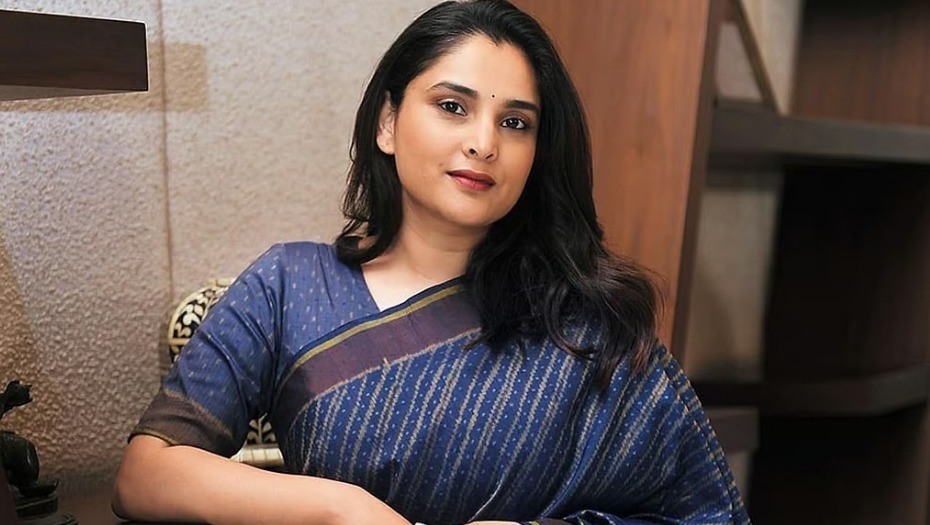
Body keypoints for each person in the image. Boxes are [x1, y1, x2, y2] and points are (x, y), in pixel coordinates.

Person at [113, 1, 751, 524]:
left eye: (516, 123)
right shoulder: (289, 287)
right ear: (387, 124)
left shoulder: (583, 321)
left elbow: (703, 515)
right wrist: (339, 508)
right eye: (453, 107)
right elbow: (147, 473)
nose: (484, 143)